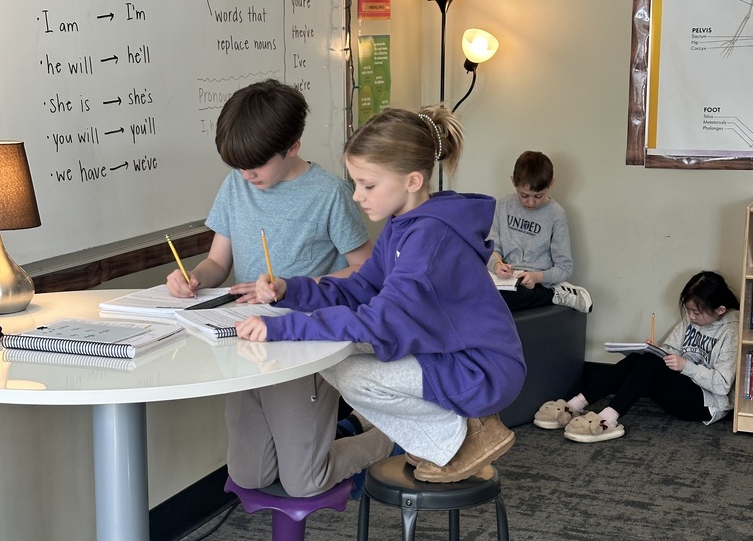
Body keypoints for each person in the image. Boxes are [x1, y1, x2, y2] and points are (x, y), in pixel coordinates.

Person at [233, 104, 526, 483]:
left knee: (350, 372)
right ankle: (458, 433)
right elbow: (362, 289)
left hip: (480, 369)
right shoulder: (403, 226)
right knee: (332, 353)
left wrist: (285, 327)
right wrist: (292, 290)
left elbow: (380, 321)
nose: (357, 196)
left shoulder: (429, 240)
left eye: (368, 185)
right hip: (444, 352)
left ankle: (467, 439)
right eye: (356, 183)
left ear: (413, 181)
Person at [166, 78, 391, 497]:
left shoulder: (329, 194)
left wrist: (293, 287)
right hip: (243, 339)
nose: (246, 174)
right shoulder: (237, 185)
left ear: (293, 147)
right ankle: (337, 428)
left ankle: (386, 436)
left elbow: (365, 272)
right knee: (249, 476)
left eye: (256, 165)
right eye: (238, 166)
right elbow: (218, 262)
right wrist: (194, 278)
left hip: (302, 343)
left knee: (304, 481)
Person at [533, 270, 740, 442]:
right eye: (688, 310)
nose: (691, 317)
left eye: (696, 312)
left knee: (649, 363)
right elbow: (671, 349)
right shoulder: (691, 319)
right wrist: (658, 352)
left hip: (706, 405)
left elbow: (722, 385)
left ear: (720, 310)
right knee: (639, 359)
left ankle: (607, 420)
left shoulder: (732, 330)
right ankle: (575, 405)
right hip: (682, 386)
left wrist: (685, 366)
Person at [488, 150, 592, 314]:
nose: (530, 202)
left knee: (501, 302)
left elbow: (564, 267)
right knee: (471, 292)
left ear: (551, 184)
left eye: (538, 196)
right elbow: (492, 248)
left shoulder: (556, 215)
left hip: (536, 282)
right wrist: (496, 266)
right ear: (513, 181)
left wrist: (537, 277)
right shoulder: (503, 205)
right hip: (506, 280)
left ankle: (553, 293)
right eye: (524, 195)